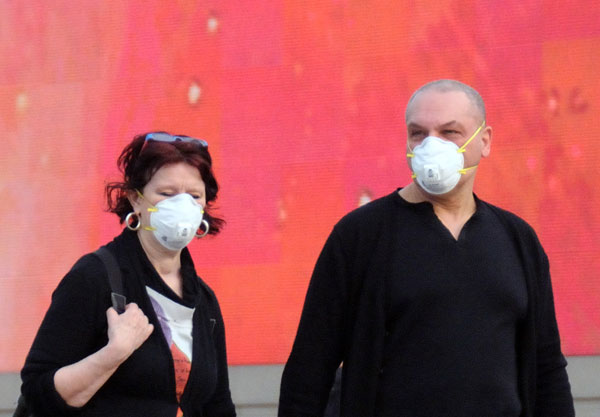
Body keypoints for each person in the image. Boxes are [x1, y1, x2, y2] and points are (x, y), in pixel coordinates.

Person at [278, 80, 574, 417]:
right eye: (418, 133)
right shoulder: (360, 236)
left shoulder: (518, 239)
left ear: (485, 141)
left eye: (450, 132)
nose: (431, 146)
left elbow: (547, 366)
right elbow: (310, 368)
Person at [21, 132, 236, 417]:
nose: (182, 206)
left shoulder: (204, 301)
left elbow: (217, 406)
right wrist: (114, 354)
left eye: (194, 196)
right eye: (166, 194)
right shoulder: (94, 277)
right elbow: (37, 390)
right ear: (136, 199)